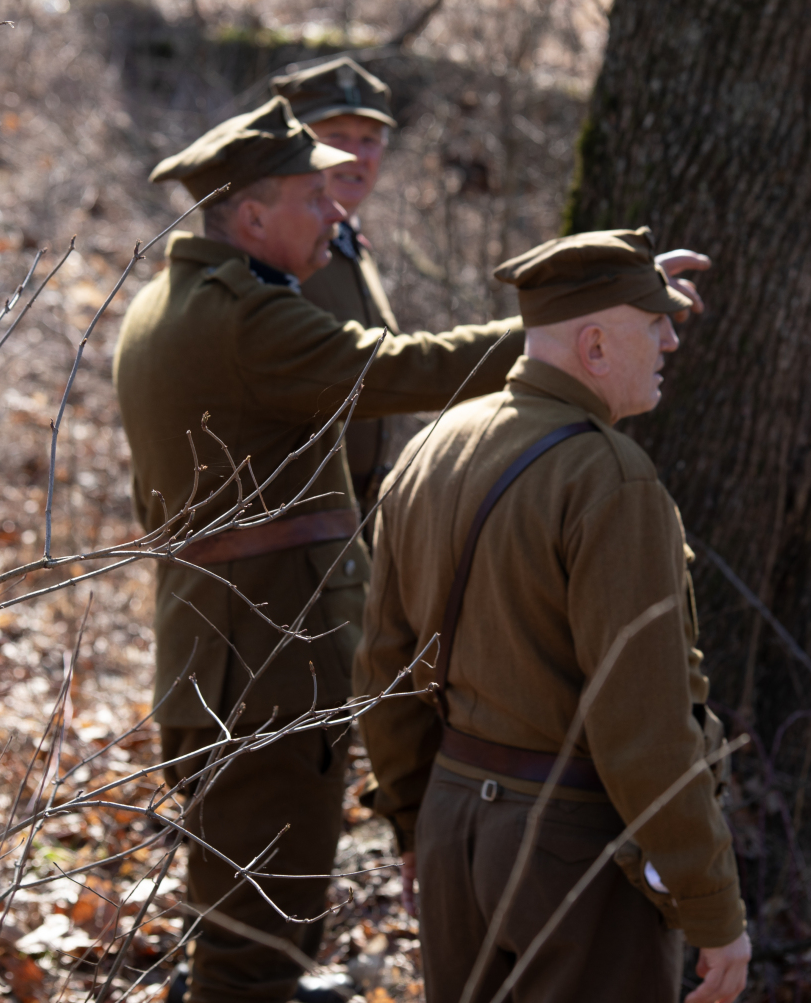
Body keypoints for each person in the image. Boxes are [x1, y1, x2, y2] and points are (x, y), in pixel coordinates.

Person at [112, 97, 528, 1003]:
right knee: (251, 955)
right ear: (253, 216)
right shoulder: (246, 320)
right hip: (264, 667)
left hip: (226, 653)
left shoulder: (169, 302)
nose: (336, 212)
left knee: (254, 920)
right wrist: (559, 331)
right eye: (313, 196)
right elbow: (405, 368)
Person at [356, 228, 753, 1003]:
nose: (671, 341)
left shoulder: (431, 446)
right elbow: (644, 725)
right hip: (571, 851)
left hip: (452, 828)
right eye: (655, 323)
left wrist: (411, 821)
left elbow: (383, 669)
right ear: (596, 345)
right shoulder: (609, 477)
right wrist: (711, 903)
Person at [273, 56, 400, 506]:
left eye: (370, 140)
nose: (356, 156)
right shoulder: (275, 248)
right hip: (293, 515)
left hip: (354, 515)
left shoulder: (349, 241)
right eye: (336, 137)